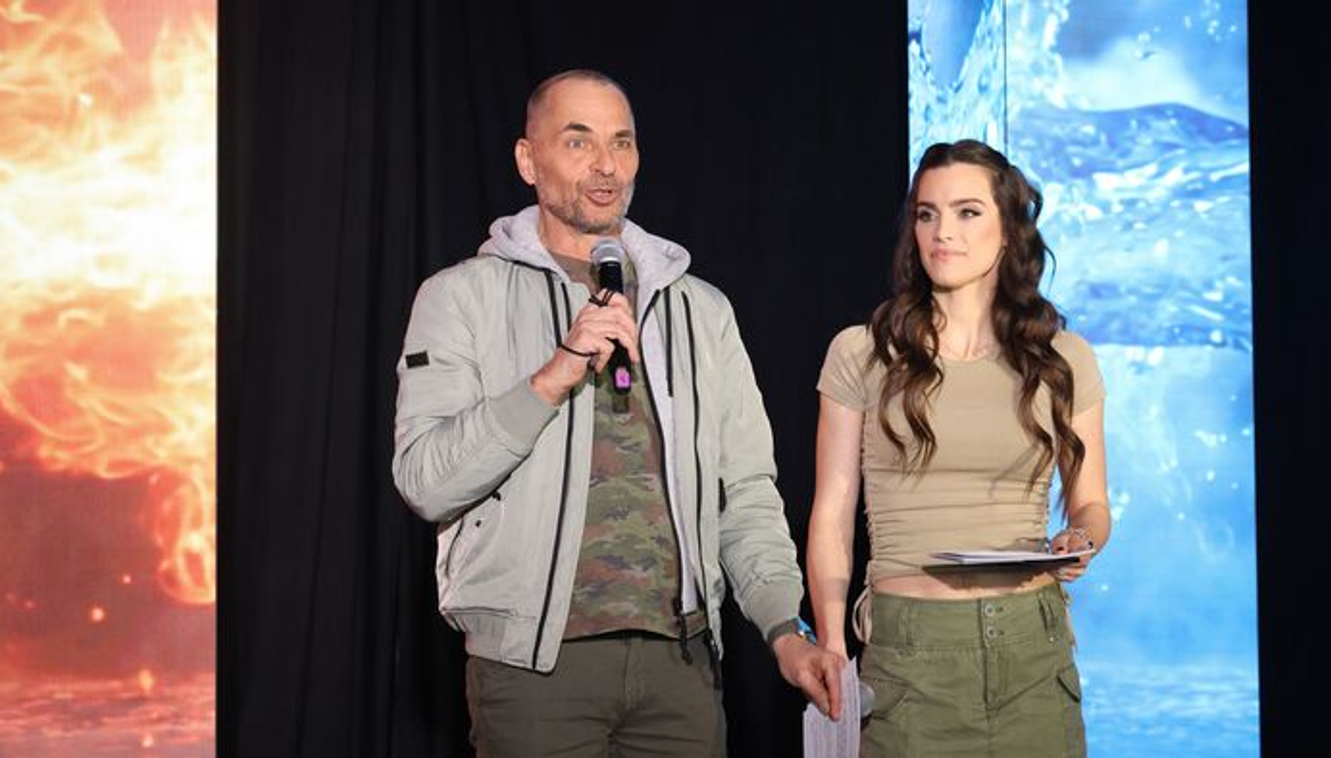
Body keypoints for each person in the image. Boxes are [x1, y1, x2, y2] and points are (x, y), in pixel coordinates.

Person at [392, 69, 842, 756]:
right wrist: (552, 376)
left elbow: (746, 491)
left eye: (621, 142)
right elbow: (427, 481)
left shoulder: (699, 310)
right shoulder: (460, 298)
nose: (606, 165)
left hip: (681, 667)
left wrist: (785, 626)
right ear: (527, 160)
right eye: (578, 142)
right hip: (535, 672)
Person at [807, 139, 1111, 757]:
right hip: (910, 655)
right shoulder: (860, 351)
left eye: (967, 212)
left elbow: (1092, 504)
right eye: (928, 214)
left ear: (1009, 232)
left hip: (1033, 650)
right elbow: (832, 512)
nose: (943, 232)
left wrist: (1080, 539)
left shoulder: (1064, 358)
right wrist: (833, 646)